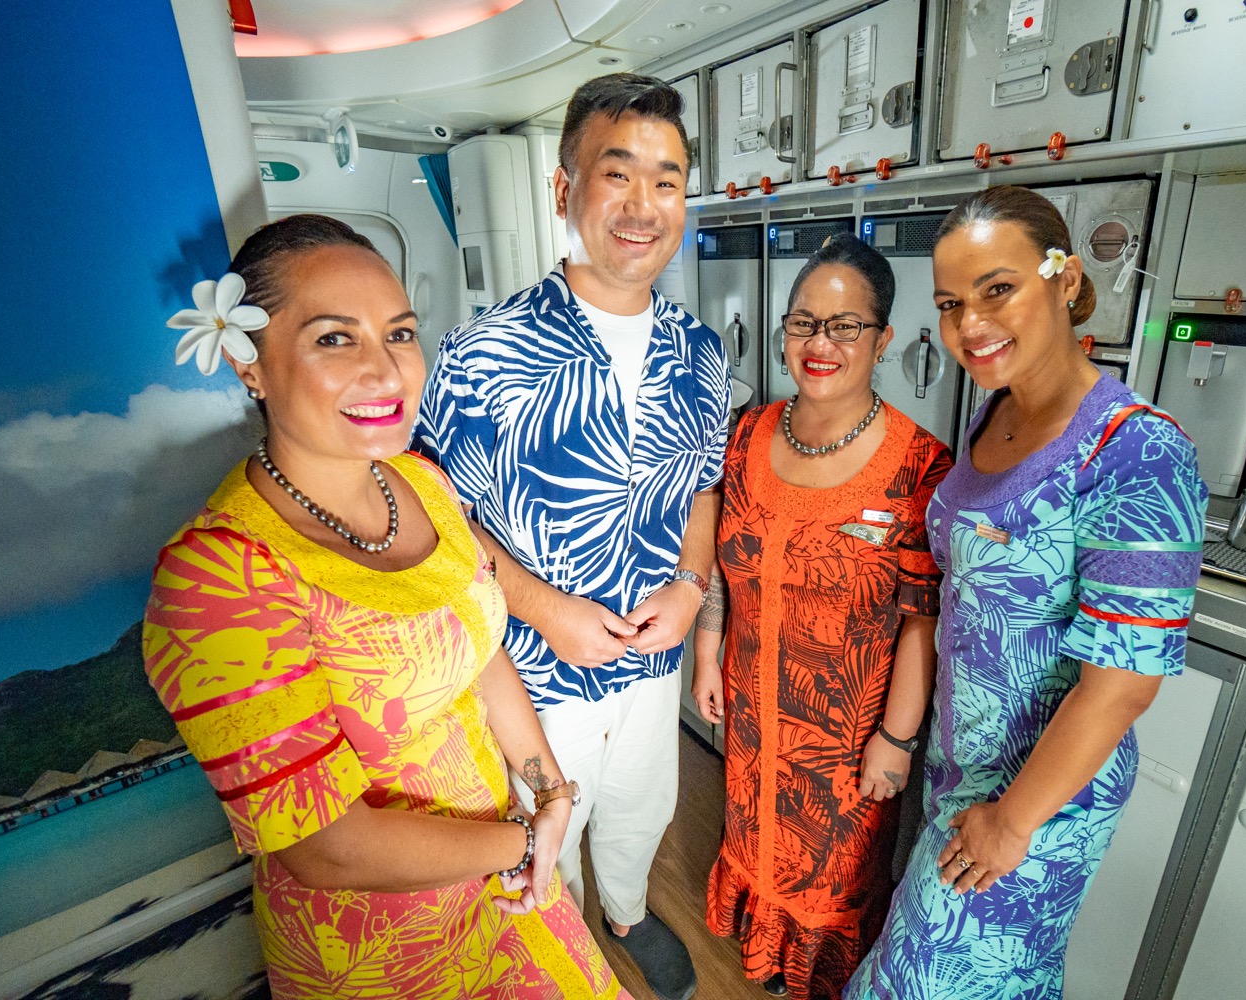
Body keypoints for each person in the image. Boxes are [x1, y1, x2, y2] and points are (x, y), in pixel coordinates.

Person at [145, 215, 629, 999]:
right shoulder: (219, 577)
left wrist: (550, 793)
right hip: (379, 951)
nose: (388, 370)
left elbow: (479, 646)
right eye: (335, 339)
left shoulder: (420, 483)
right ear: (250, 365)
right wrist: (522, 841)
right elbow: (327, 847)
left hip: (508, 885)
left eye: (399, 333)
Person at [846, 187, 1207, 999]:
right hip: (959, 768)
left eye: (996, 289)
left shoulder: (1136, 453)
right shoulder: (994, 416)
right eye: (949, 304)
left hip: (1038, 799)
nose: (970, 324)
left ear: (1066, 279)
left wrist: (1011, 825)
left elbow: (1119, 688)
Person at [414, 74, 729, 1000]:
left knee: (642, 809)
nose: (643, 205)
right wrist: (546, 610)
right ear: (565, 191)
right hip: (534, 675)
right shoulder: (486, 352)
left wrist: (691, 584)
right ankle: (569, 952)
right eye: (616, 173)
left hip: (652, 662)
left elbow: (703, 483)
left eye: (666, 180)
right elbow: (441, 526)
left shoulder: (702, 352)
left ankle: (627, 913)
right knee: (550, 827)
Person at [691, 235, 952, 1000]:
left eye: (845, 326)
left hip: (847, 742)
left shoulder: (918, 467)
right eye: (804, 323)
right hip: (751, 714)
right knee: (756, 843)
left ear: (884, 339)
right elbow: (719, 562)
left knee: (832, 882)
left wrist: (897, 741)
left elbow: (922, 620)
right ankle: (766, 967)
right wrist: (709, 655)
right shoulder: (746, 437)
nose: (820, 344)